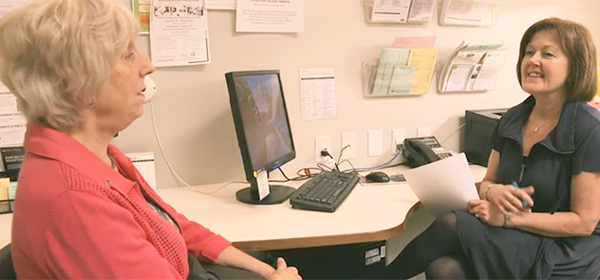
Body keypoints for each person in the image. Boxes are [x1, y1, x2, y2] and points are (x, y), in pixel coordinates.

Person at [0, 0, 302, 279]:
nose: (148, 65)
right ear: (78, 85)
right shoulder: (75, 199)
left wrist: (265, 271)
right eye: (128, 54)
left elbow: (173, 226)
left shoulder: (103, 158)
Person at [377, 17, 600, 279]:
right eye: (529, 52)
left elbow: (584, 223)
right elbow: (487, 182)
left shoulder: (589, 129)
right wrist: (494, 192)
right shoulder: (512, 120)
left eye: (547, 54)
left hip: (564, 252)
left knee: (452, 224)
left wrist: (508, 219)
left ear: (575, 68)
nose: (533, 60)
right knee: (443, 269)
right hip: (518, 235)